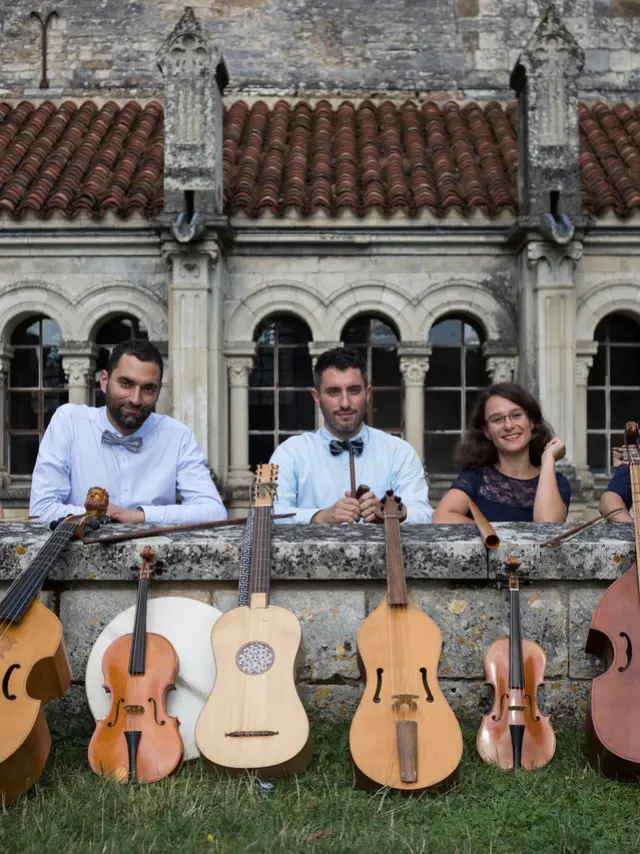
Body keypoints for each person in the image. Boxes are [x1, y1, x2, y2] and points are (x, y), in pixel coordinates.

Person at [29, 339, 226, 526]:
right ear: (104, 381)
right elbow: (41, 511)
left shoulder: (178, 436)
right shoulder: (69, 422)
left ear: (158, 392)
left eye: (148, 389)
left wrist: (139, 516)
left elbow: (214, 512)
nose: (135, 398)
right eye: (126, 383)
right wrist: (103, 514)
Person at [270, 347, 432, 524]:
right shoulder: (291, 453)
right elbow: (269, 514)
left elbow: (423, 515)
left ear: (368, 394)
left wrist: (389, 513)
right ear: (317, 397)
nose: (345, 403)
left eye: (354, 390)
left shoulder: (398, 452)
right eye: (334, 392)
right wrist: (318, 516)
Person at [433, 382, 570, 524]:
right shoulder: (476, 478)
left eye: (516, 415)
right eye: (497, 419)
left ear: (531, 422)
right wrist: (494, 536)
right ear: (487, 431)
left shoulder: (558, 482)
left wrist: (548, 459)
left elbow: (547, 525)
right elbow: (441, 517)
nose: (508, 426)